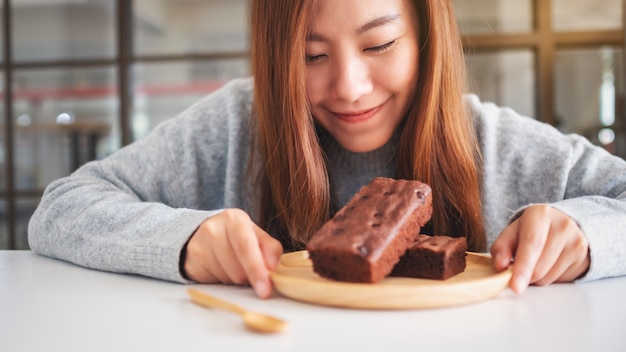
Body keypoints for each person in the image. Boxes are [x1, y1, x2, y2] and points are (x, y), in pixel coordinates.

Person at [28, 0, 626, 299]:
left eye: (380, 43)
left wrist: (585, 231)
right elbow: (61, 207)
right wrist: (184, 240)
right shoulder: (239, 124)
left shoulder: (497, 145)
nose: (348, 87)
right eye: (311, 56)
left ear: (426, 36)